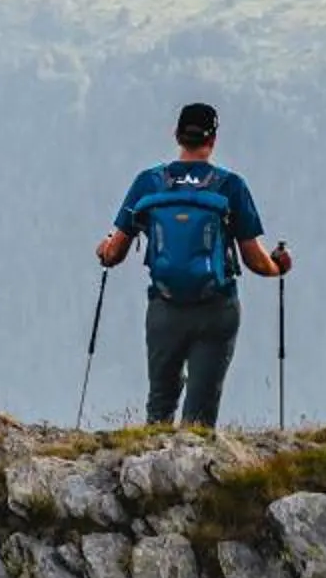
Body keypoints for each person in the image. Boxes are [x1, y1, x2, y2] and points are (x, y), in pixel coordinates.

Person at [96, 101, 288, 428]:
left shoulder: (149, 183)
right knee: (200, 415)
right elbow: (255, 260)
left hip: (164, 309)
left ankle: (152, 472)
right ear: (213, 140)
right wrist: (278, 267)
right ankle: (193, 471)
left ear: (177, 135)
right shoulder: (230, 186)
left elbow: (113, 255)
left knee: (160, 405)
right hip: (217, 309)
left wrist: (104, 248)